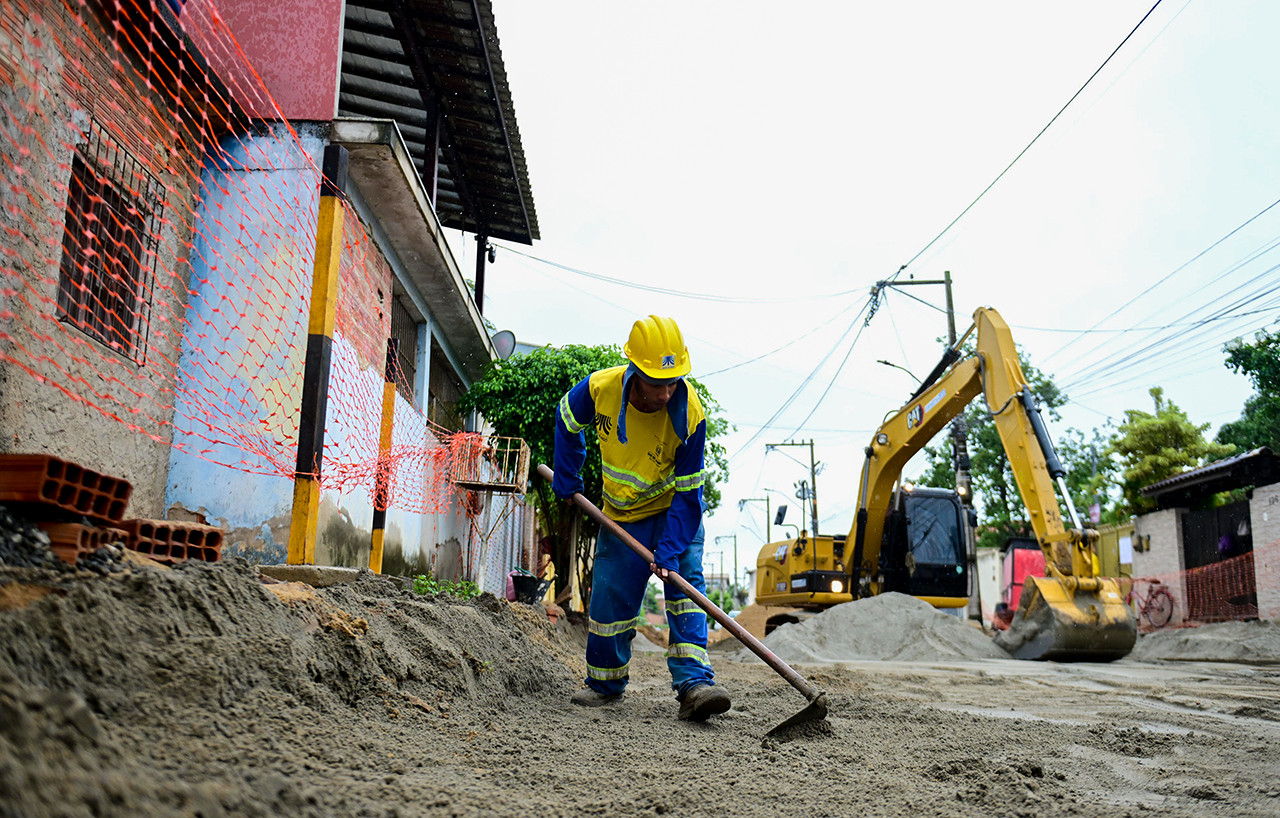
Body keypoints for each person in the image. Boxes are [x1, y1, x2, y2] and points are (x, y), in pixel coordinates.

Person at [552, 315, 730, 722]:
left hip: (673, 514)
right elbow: (566, 418)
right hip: (621, 515)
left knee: (686, 593)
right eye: (656, 382)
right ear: (634, 370)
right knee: (611, 600)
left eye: (674, 381)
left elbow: (689, 496)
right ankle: (604, 684)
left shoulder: (690, 415)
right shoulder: (601, 390)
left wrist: (668, 552)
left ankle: (695, 685)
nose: (667, 393)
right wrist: (568, 475)